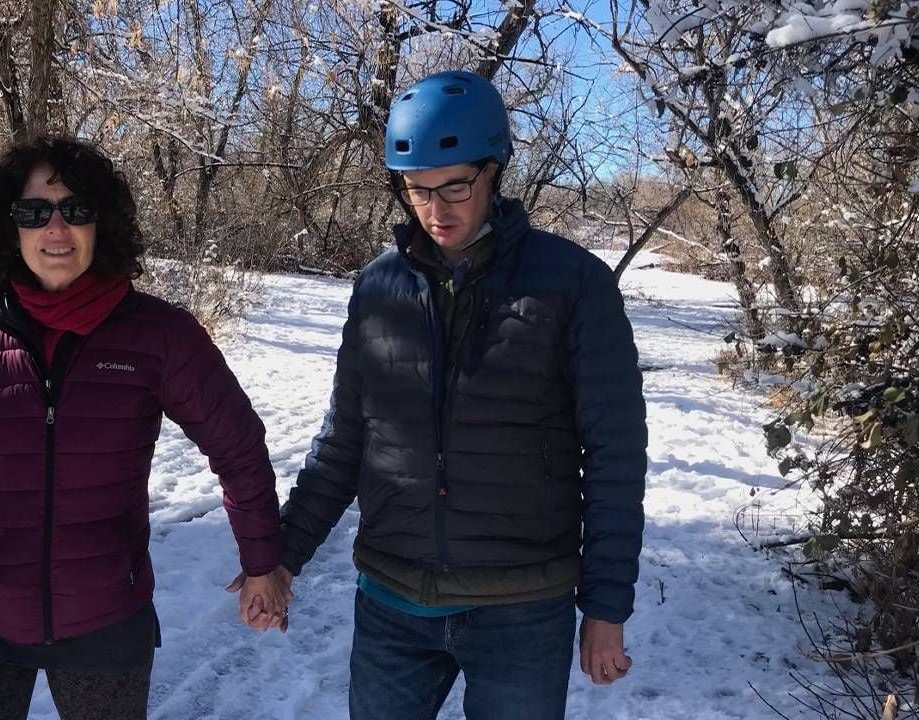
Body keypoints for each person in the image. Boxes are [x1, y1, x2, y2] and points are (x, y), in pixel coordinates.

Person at [235, 69, 648, 718]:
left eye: (455, 184)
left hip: (521, 608)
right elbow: (345, 440)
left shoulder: (574, 285)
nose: (435, 209)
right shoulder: (379, 287)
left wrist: (605, 606)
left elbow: (615, 457)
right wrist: (281, 559)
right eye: (416, 190)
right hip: (392, 606)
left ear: (495, 169)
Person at [0, 135, 289, 720]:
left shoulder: (160, 335)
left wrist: (262, 563)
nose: (55, 228)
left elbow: (236, 444)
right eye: (35, 212)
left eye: (76, 210)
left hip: (106, 621)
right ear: (9, 227)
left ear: (101, 224)